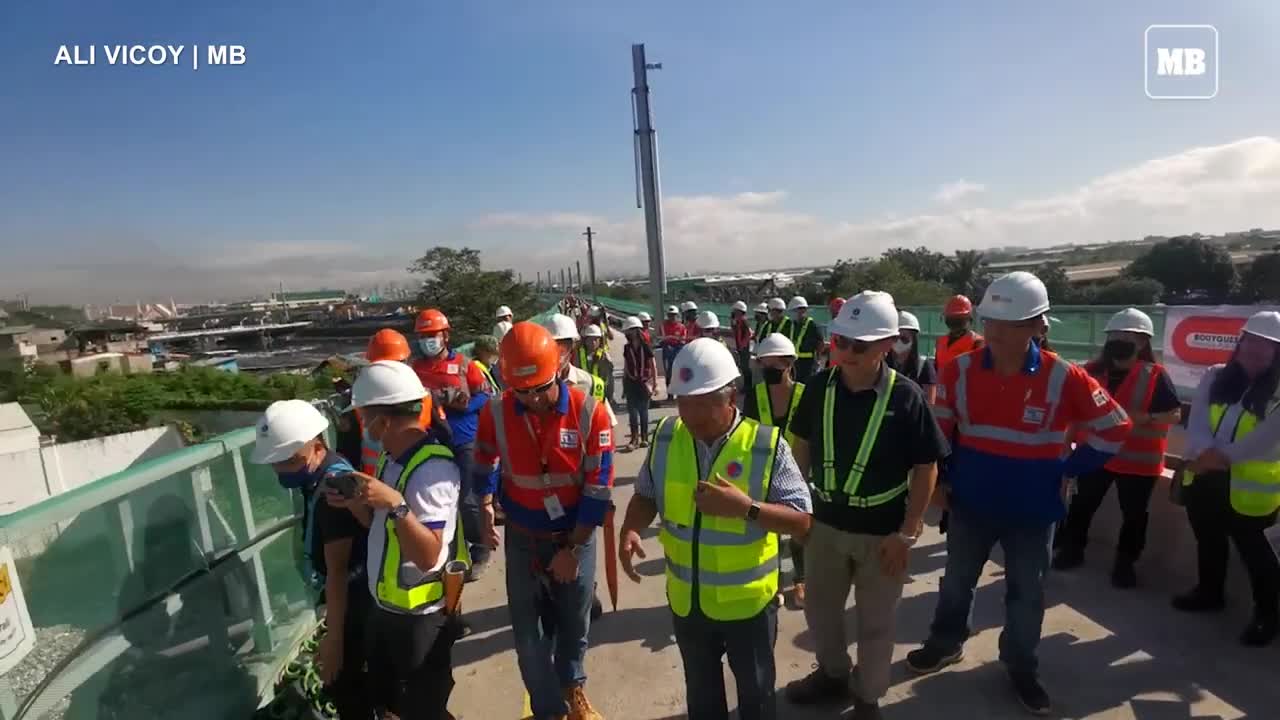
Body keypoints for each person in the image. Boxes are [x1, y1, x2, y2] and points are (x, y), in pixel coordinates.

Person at [905, 271, 1132, 716]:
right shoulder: (959, 370)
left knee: (1027, 594)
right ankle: (946, 642)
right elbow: (939, 433)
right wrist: (941, 484)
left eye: (1008, 324)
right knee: (956, 582)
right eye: (989, 322)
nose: (994, 332)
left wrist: (1069, 467)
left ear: (1037, 326)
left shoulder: (1064, 377)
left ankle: (1020, 666)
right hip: (971, 505)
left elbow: (1116, 426)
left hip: (1034, 512)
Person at [618, 338, 814, 720]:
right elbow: (646, 494)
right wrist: (630, 528)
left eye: (703, 403)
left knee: (756, 697)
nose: (690, 415)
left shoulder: (765, 446)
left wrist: (748, 509)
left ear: (731, 397)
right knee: (703, 699)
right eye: (683, 402)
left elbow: (803, 522)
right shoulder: (666, 436)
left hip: (749, 608)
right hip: (688, 604)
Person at [784, 292, 947, 720]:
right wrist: (796, 506)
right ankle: (834, 675)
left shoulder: (906, 398)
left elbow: (926, 467)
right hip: (825, 526)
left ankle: (868, 697)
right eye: (840, 342)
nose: (847, 353)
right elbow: (799, 445)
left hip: (883, 534)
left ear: (887, 345)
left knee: (875, 624)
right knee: (821, 613)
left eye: (859, 346)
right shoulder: (820, 386)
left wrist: (907, 534)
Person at [472, 322, 614, 720]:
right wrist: (484, 503)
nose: (533, 399)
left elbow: (598, 488)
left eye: (540, 389)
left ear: (560, 369)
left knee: (574, 621)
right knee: (527, 634)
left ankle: (574, 689)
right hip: (522, 536)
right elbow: (483, 459)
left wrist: (572, 549)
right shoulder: (497, 411)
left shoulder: (590, 413)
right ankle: (548, 709)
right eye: (523, 391)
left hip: (574, 534)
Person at [343, 361, 470, 719]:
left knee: (424, 710)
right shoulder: (392, 457)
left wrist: (397, 505)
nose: (362, 425)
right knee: (391, 706)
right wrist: (357, 503)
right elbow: (381, 527)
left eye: (364, 416)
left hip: (420, 620)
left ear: (383, 420)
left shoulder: (433, 470)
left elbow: (429, 554)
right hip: (386, 609)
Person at [251, 400, 372, 720]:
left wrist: (334, 639)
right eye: (276, 463)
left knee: (350, 691)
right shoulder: (320, 476)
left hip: (355, 603)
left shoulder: (332, 490)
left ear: (317, 447)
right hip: (352, 599)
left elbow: (338, 572)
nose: (282, 470)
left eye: (290, 461)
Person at [1053, 308, 1182, 588]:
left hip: (1139, 461)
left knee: (1134, 516)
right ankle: (1072, 550)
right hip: (1094, 454)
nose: (1119, 339)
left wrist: (1145, 417)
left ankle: (1125, 565)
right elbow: (1075, 413)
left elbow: (1175, 414)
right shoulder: (1091, 372)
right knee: (1082, 506)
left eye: (1128, 335)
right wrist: (1066, 443)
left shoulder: (1156, 375)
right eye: (1115, 334)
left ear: (1143, 342)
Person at [1176, 310, 1280, 647]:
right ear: (1241, 341)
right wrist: (1205, 452)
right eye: (1252, 340)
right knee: (1208, 540)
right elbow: (1197, 422)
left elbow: (1267, 437)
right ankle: (1209, 593)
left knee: (1258, 557)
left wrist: (1219, 458)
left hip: (1250, 492)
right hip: (1205, 480)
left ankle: (1267, 617)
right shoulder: (1215, 375)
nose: (1257, 349)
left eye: (1268, 345)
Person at [412, 308, 495, 578]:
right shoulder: (415, 369)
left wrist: (465, 405)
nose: (428, 341)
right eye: (423, 336)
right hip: (430, 442)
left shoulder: (464, 365)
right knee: (435, 500)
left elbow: (486, 396)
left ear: (445, 336)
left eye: (432, 335)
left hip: (463, 439)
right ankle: (446, 551)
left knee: (469, 500)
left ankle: (480, 549)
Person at [742, 333, 810, 608]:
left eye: (774, 366)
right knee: (768, 531)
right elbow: (745, 435)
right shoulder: (755, 397)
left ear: (789, 364)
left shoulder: (806, 394)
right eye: (764, 366)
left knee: (799, 532)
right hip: (764, 473)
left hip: (801, 472)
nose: (768, 372)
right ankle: (774, 582)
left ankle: (801, 581)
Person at [622, 316, 658, 450]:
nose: (628, 334)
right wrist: (625, 384)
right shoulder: (627, 348)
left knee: (643, 411)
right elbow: (626, 366)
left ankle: (644, 438)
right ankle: (634, 439)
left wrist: (655, 383)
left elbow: (652, 364)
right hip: (631, 382)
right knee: (632, 412)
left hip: (644, 383)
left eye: (629, 331)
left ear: (635, 331)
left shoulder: (646, 346)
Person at [887, 310, 937, 404]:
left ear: (913, 340)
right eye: (895, 338)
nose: (899, 343)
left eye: (904, 339)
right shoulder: (882, 364)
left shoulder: (923, 366)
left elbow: (930, 403)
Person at [934, 294, 984, 371]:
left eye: (959, 319)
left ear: (969, 319)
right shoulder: (940, 342)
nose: (954, 322)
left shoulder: (978, 343)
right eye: (951, 318)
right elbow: (936, 369)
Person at [787, 296, 821, 380]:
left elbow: (820, 343)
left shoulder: (811, 325)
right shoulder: (792, 325)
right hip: (794, 362)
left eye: (795, 310)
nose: (794, 313)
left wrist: (818, 360)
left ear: (803, 310)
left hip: (808, 363)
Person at [661, 305, 689, 398]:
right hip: (667, 350)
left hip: (678, 350)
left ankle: (680, 393)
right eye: (670, 315)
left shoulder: (681, 327)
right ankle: (670, 394)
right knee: (669, 372)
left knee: (679, 372)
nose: (672, 317)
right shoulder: (663, 325)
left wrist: (676, 340)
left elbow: (683, 340)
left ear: (677, 315)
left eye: (673, 315)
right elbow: (661, 338)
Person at [730, 301, 754, 386]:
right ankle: (746, 385)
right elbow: (734, 331)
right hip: (740, 347)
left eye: (736, 311)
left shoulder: (744, 321)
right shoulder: (738, 321)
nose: (734, 312)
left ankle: (748, 386)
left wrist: (742, 346)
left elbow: (748, 335)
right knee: (742, 367)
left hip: (744, 348)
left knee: (745, 368)